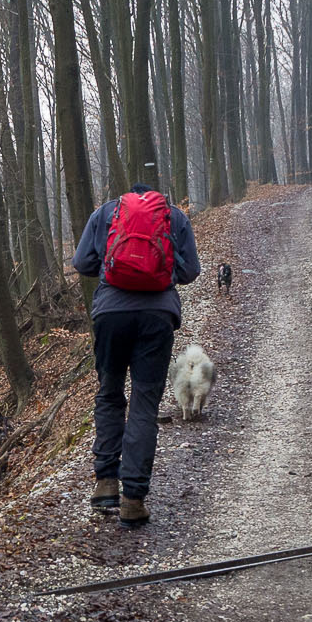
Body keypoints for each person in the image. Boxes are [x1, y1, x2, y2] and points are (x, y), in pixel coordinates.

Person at [72, 183, 201, 527]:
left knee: (110, 394)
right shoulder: (175, 217)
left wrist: (112, 267)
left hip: (110, 314)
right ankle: (133, 499)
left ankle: (105, 483)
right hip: (157, 316)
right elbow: (190, 272)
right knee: (144, 403)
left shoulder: (104, 213)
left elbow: (82, 261)